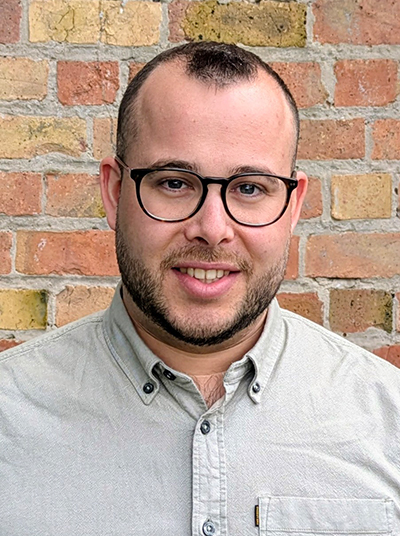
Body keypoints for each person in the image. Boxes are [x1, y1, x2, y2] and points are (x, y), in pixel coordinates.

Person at [1, 41, 399, 536]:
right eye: (174, 182)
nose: (212, 229)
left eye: (249, 188)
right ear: (115, 192)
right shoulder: (10, 418)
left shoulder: (388, 421)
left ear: (293, 206)